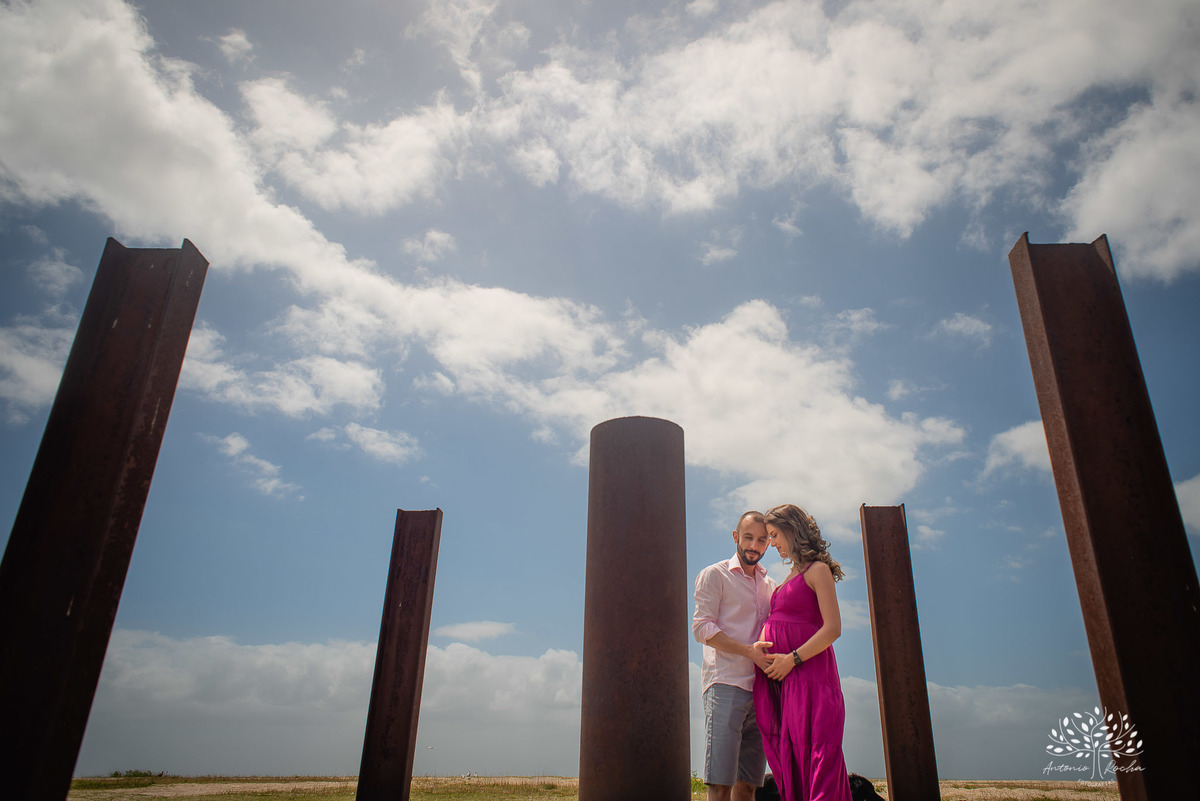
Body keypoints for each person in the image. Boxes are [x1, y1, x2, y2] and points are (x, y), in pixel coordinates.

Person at [752, 504, 852, 801]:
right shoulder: (789, 576)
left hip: (811, 677)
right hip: (786, 682)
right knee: (793, 756)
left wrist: (791, 659)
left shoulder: (817, 570)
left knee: (819, 754)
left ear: (791, 530)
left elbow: (833, 628)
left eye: (773, 535)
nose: (771, 543)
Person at [692, 511, 778, 801]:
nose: (754, 545)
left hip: (762, 691)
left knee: (749, 785)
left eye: (762, 539)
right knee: (720, 783)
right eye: (748, 537)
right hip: (725, 684)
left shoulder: (770, 585)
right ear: (735, 537)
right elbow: (702, 628)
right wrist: (748, 652)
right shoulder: (714, 575)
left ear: (768, 543)